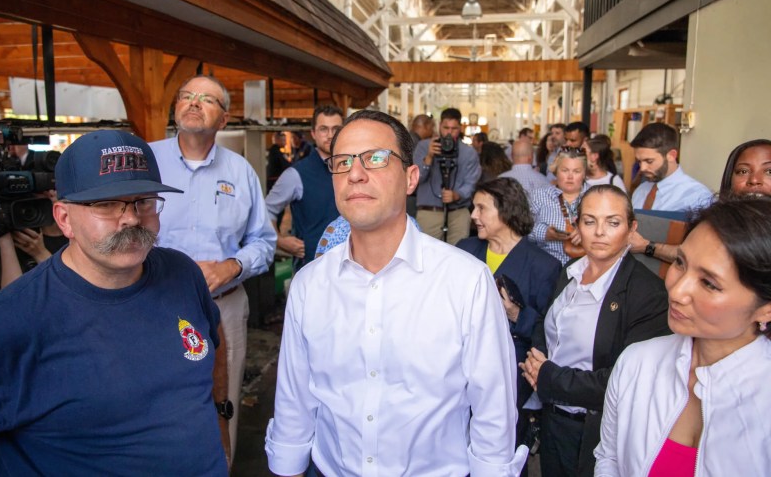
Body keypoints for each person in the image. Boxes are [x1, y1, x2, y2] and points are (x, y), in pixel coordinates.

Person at [265, 110, 528, 477]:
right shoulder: (310, 285)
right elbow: (295, 399)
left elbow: (493, 407)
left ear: (411, 178)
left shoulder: (465, 281)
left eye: (375, 158)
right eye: (343, 162)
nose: (356, 174)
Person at [0, 130, 229, 475]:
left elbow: (213, 341)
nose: (132, 218)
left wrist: (221, 416)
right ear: (64, 218)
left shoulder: (182, 273)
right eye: (106, 204)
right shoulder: (4, 324)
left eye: (144, 201)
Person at [594, 197, 771, 477]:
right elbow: (610, 457)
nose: (676, 291)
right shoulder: (637, 363)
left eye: (709, 283)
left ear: (765, 309)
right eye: (680, 262)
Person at [151, 75, 276, 464]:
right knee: (155, 398)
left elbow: (264, 241)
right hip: (153, 303)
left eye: (206, 99)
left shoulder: (240, 172)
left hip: (224, 305)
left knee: (222, 402)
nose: (193, 102)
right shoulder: (147, 161)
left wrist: (232, 267)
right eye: (186, 96)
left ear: (223, 119)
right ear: (175, 108)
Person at [521, 185, 670, 477]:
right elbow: (548, 323)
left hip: (594, 432)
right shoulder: (571, 270)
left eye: (613, 222)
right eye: (590, 221)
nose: (600, 232)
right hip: (553, 422)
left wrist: (549, 376)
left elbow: (627, 381)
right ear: (577, 227)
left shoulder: (648, 293)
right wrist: (535, 359)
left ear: (632, 228)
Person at [456, 178, 562, 449]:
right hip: (459, 369)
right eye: (473, 208)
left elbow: (549, 334)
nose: (473, 215)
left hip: (509, 376)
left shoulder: (544, 266)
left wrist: (515, 313)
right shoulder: (464, 250)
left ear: (506, 210)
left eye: (481, 208)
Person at [630, 138, 770, 265]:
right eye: (743, 171)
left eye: (769, 172)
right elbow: (692, 255)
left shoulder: (698, 194)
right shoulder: (717, 221)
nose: (754, 180)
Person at [265, 105, 343, 269]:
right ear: (313, 133)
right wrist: (279, 241)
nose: (330, 135)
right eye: (323, 129)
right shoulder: (296, 175)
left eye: (336, 129)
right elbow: (266, 210)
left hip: (352, 265)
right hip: (312, 267)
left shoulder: (354, 169)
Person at [413, 107, 481, 245]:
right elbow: (416, 179)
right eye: (445, 128)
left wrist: (457, 195)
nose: (449, 132)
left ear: (460, 128)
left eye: (454, 128)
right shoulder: (423, 146)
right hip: (429, 211)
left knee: (458, 252)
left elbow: (471, 182)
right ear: (439, 126)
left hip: (458, 213)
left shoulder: (469, 153)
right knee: (425, 253)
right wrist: (429, 158)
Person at [630, 123, 712, 212]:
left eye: (649, 161)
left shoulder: (698, 197)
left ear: (672, 155)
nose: (642, 168)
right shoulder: (640, 191)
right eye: (639, 161)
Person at [528, 147, 588, 265]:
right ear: (556, 171)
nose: (570, 176)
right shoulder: (540, 195)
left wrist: (587, 234)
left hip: (587, 268)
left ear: (584, 174)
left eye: (576, 171)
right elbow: (522, 231)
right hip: (546, 267)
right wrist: (545, 233)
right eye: (565, 170)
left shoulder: (596, 196)